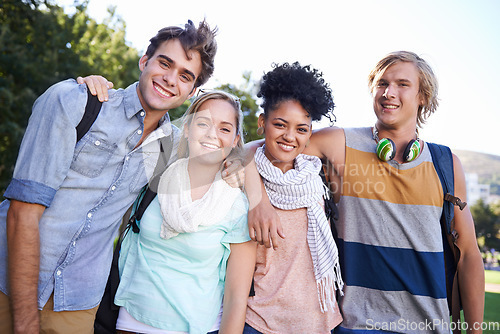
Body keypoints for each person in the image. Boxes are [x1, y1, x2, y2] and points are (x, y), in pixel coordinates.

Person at [0, 20, 221, 334]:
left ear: (192, 91)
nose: (171, 79)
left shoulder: (171, 148)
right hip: (8, 283)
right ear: (144, 61)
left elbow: (230, 153)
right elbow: (22, 214)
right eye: (165, 63)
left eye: (185, 76)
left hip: (78, 301)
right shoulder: (76, 101)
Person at [248, 52, 485, 333]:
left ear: (423, 96)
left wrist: (475, 330)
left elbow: (469, 254)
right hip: (356, 326)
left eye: (402, 84)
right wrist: (257, 199)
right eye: (382, 83)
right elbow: (253, 151)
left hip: (429, 327)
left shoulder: (446, 164)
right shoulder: (339, 143)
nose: (389, 93)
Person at [113, 90, 256, 334]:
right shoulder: (156, 173)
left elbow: (235, 298)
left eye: (224, 129)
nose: (212, 134)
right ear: (187, 128)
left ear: (235, 140)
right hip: (130, 321)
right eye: (203, 123)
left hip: (196, 327)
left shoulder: (237, 206)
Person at [243, 62, 343, 334]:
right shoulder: (243, 176)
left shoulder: (316, 176)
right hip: (260, 322)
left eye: (301, 129)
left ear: (310, 133)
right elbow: (238, 153)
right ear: (263, 123)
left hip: (319, 320)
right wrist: (258, 198)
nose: (289, 136)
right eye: (280, 124)